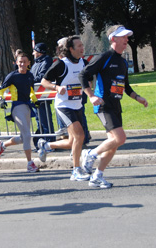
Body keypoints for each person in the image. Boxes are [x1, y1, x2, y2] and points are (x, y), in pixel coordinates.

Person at [79, 25, 148, 188]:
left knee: (114, 142)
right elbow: (83, 74)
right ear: (113, 39)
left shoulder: (122, 62)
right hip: (103, 106)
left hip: (116, 105)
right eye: (123, 37)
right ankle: (90, 154)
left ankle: (97, 176)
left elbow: (126, 86)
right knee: (120, 138)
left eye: (127, 37)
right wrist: (91, 96)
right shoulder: (105, 57)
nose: (127, 40)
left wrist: (138, 98)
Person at [39, 35, 90, 181]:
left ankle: (47, 146)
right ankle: (76, 170)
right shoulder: (61, 64)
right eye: (79, 46)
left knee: (72, 141)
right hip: (64, 106)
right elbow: (44, 81)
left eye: (82, 45)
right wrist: (56, 87)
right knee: (80, 136)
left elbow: (88, 79)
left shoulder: (84, 63)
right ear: (70, 49)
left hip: (77, 105)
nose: (82, 48)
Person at [0, 52, 41, 173]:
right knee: (27, 135)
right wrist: (2, 99)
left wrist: (35, 101)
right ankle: (30, 163)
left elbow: (31, 91)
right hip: (17, 107)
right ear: (16, 62)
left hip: (27, 107)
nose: (22, 64)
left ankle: (2, 145)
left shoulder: (30, 75)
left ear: (28, 63)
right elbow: (2, 90)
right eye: (20, 62)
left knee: (23, 137)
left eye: (24, 62)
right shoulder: (12, 76)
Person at [30, 42, 55, 146]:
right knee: (39, 119)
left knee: (45, 119)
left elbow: (41, 77)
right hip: (36, 95)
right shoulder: (37, 63)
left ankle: (49, 141)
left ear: (39, 53)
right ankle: (43, 140)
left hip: (43, 95)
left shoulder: (46, 61)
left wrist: (28, 79)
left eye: (35, 51)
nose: (33, 53)